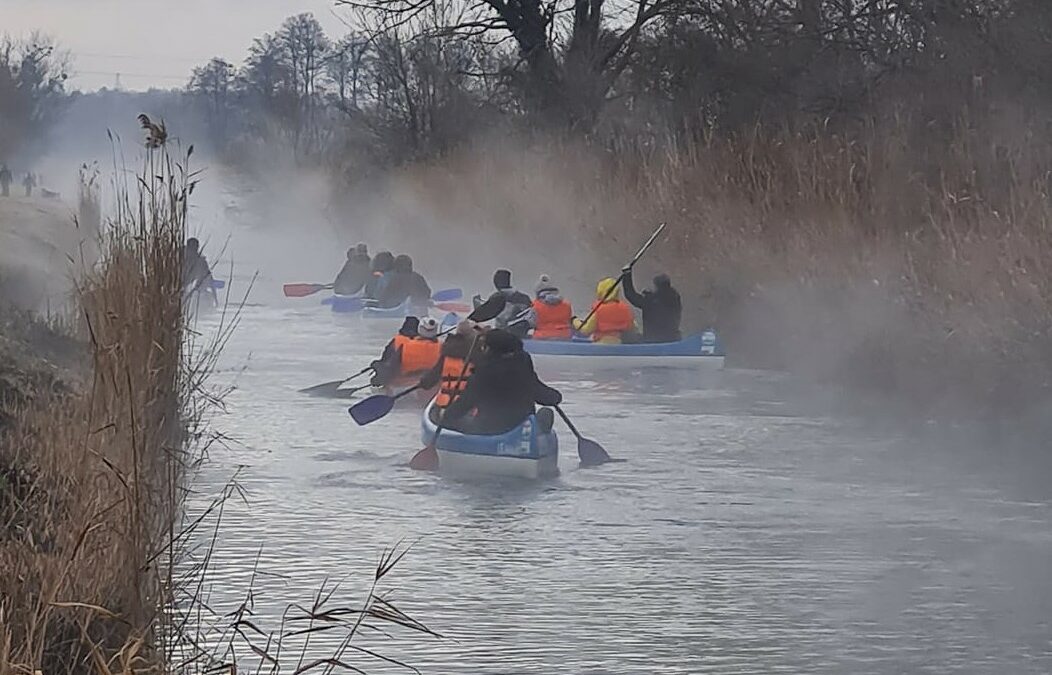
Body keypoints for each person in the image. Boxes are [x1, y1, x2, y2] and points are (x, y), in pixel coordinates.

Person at [440, 329, 561, 435]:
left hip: (489, 429)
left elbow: (465, 403)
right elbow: (545, 395)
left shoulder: (483, 373)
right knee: (546, 412)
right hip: (520, 427)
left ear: (490, 349)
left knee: (459, 420)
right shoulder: (523, 368)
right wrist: (555, 397)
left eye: (484, 346)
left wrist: (445, 417)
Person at [419, 319, 485, 422]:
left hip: (444, 403)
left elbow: (431, 379)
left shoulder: (447, 352)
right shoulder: (478, 354)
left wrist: (423, 382)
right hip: (468, 407)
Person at [370, 316, 442, 387]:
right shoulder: (443, 347)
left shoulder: (404, 346)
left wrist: (377, 370)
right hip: (432, 385)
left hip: (402, 384)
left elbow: (390, 369)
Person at [622, 270, 682, 343]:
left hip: (651, 340)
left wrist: (626, 275)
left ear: (656, 286)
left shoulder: (651, 301)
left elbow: (631, 295)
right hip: (672, 339)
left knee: (630, 338)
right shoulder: (675, 298)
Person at [572, 277, 638, 344]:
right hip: (618, 343)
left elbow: (586, 330)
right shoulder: (625, 309)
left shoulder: (599, 310)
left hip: (600, 345)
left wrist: (575, 321)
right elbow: (633, 327)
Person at [476, 269, 535, 339]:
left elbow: (492, 319)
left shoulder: (496, 297)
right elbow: (532, 319)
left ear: (496, 283)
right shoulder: (525, 298)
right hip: (521, 337)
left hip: (501, 338)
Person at [530, 274, 573, 340]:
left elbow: (532, 323)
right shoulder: (567, 305)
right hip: (564, 336)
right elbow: (569, 321)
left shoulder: (535, 305)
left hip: (541, 337)